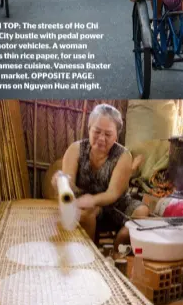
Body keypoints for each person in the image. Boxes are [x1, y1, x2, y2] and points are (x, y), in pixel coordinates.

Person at [60, 104, 148, 248]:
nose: (101, 138)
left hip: (116, 206)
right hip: (85, 205)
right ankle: (89, 254)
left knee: (142, 212)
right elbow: (68, 182)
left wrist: (93, 200)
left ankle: (116, 251)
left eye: (108, 134)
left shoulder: (123, 155)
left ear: (116, 136)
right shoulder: (75, 149)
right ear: (89, 128)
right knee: (88, 213)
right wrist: (61, 182)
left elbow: (113, 193)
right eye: (97, 131)